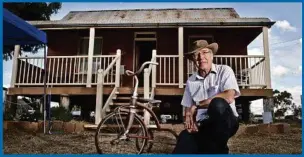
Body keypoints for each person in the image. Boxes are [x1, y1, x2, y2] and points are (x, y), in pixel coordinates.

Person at [172, 40, 240, 154]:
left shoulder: (224, 70)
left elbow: (229, 96)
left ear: (212, 55)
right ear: (193, 60)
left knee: (218, 103)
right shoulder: (191, 81)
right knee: (184, 140)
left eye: (205, 52)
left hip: (226, 121)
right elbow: (188, 109)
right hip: (203, 125)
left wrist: (198, 105)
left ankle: (215, 149)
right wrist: (189, 122)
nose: (200, 57)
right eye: (196, 54)